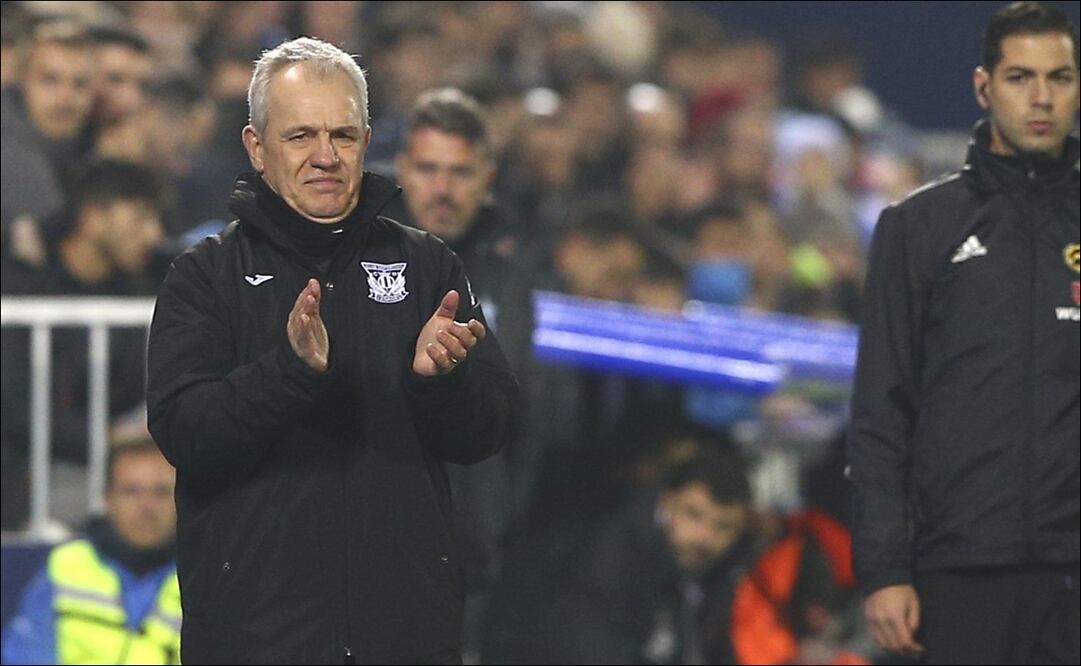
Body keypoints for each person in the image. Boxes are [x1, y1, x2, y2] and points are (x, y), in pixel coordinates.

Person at [145, 37, 518, 664]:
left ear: (368, 144)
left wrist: (442, 380)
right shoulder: (205, 275)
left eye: (343, 135)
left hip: (405, 634)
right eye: (300, 137)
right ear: (255, 147)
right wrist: (287, 373)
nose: (326, 156)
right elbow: (184, 431)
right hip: (256, 637)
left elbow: (488, 430)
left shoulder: (427, 266)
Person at [847, 2, 1079, 663]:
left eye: (1059, 77)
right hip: (957, 571)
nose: (1041, 98)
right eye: (1019, 77)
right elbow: (879, 413)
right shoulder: (918, 228)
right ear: (983, 87)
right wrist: (885, 569)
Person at [483, 446, 754, 665]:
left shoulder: (719, 570)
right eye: (694, 515)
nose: (704, 538)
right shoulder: (607, 555)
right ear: (667, 501)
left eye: (724, 526)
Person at [2, 437, 181, 665]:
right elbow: (26, 656)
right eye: (131, 491)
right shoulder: (66, 565)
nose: (146, 507)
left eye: (161, 492)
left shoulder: (202, 575)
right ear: (107, 499)